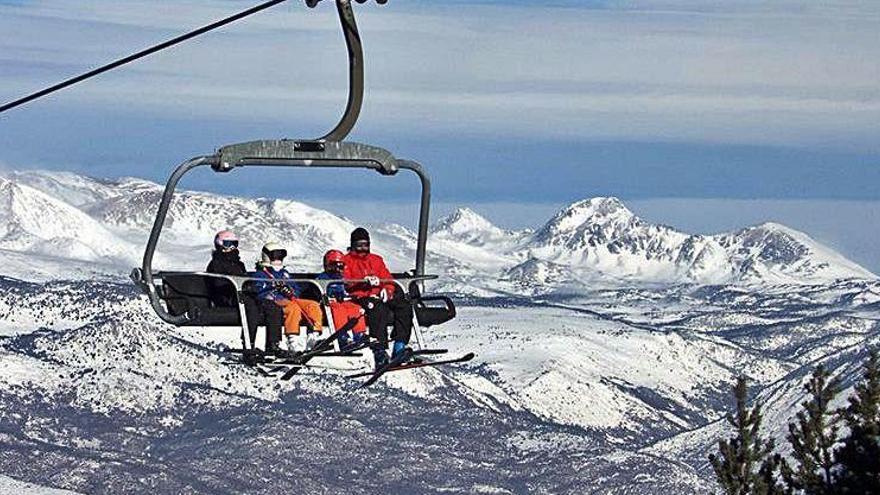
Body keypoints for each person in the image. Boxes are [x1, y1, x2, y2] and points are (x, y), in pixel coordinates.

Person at [205, 230, 284, 359]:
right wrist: (240, 287)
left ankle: (272, 344)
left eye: (234, 244)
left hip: (242, 295)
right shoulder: (216, 263)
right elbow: (218, 283)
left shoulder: (238, 263)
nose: (232, 247)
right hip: (226, 296)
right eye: (228, 244)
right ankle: (248, 345)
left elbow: (243, 278)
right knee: (251, 306)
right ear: (219, 244)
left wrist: (249, 287)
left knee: (271, 305)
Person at [342, 227, 414, 367]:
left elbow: (387, 278)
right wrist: (363, 282)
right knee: (378, 309)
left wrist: (387, 290)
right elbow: (345, 282)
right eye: (359, 245)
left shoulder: (376, 260)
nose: (363, 248)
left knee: (404, 306)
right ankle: (379, 350)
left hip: (379, 294)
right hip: (360, 296)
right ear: (353, 245)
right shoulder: (346, 261)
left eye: (366, 245)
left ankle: (399, 345)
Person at [253, 241, 324, 354]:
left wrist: (290, 290)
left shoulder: (284, 273)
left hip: (290, 299)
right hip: (276, 302)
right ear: (267, 256)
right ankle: (293, 341)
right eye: (275, 256)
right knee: (293, 308)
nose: (278, 259)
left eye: (280, 256)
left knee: (312, 305)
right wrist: (274, 289)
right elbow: (259, 290)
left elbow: (296, 288)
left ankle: (313, 337)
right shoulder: (261, 274)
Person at [316, 249, 367, 349]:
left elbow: (347, 289)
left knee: (355, 308)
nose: (337, 269)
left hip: (343, 301)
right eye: (334, 266)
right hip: (330, 303)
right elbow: (319, 291)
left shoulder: (342, 278)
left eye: (340, 266)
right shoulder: (323, 278)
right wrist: (332, 295)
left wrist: (350, 294)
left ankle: (359, 334)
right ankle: (342, 337)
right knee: (338, 310)